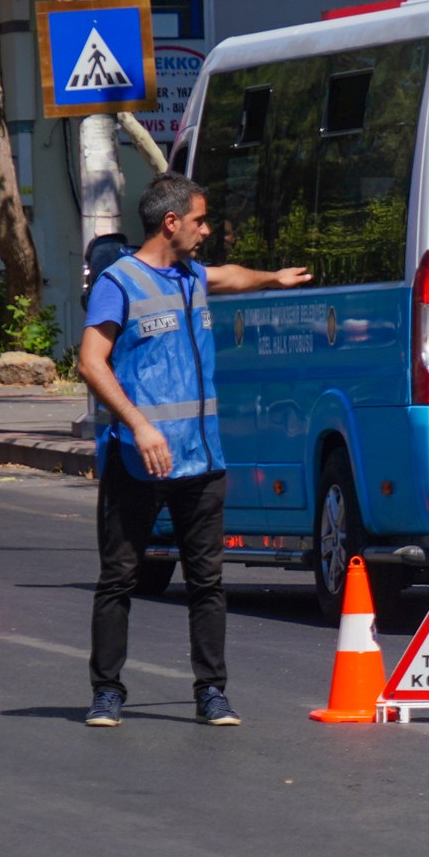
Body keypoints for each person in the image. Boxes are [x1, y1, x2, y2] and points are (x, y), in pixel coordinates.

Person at [79, 173, 309, 727]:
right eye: (201, 220)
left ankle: (212, 692)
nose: (209, 230)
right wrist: (138, 425)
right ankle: (107, 692)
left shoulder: (190, 277)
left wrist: (272, 278)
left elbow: (229, 276)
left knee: (207, 582)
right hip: (140, 458)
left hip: (202, 461)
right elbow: (91, 362)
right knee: (119, 579)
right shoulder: (121, 282)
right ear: (171, 222)